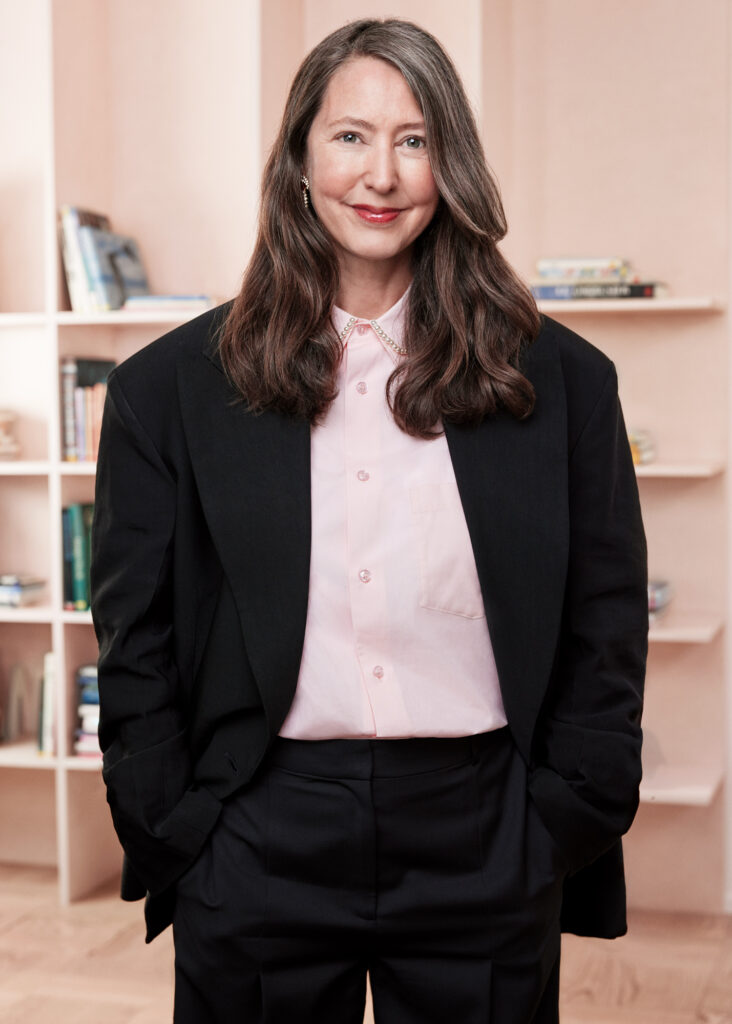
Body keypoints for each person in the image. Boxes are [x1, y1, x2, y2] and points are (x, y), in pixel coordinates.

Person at [90, 17, 648, 1024]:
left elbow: (605, 621)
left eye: (415, 139)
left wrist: (562, 816)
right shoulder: (165, 390)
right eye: (350, 135)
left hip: (487, 832)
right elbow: (139, 636)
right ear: (301, 156)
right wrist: (178, 821)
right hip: (255, 832)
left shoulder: (562, 381)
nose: (379, 173)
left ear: (452, 166)